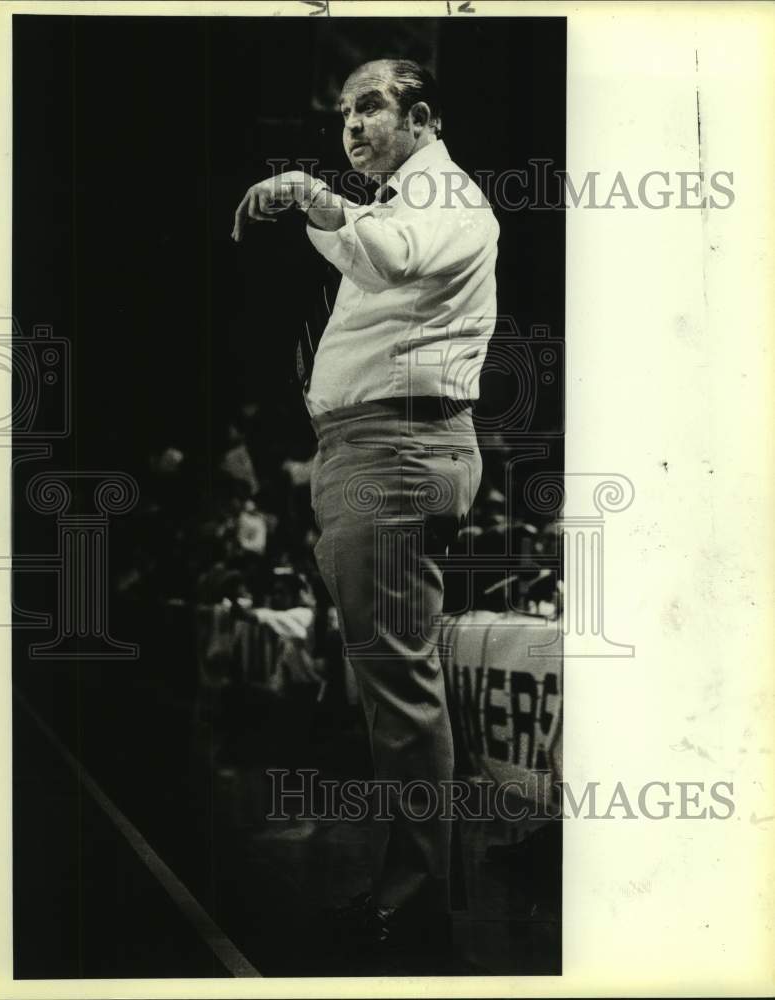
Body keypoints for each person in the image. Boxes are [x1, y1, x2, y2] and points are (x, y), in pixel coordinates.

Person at [232, 58, 499, 961]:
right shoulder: (396, 203)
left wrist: (308, 192)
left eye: (370, 107)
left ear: (421, 114)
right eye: (343, 112)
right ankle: (413, 891)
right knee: (393, 685)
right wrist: (317, 207)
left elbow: (385, 256)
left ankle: (416, 906)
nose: (350, 125)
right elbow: (366, 248)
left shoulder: (446, 194)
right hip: (370, 450)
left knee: (400, 691)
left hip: (396, 450)